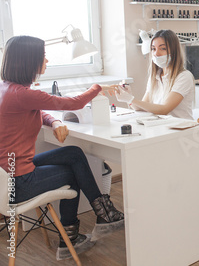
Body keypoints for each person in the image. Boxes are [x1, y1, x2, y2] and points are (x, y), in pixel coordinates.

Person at [0, 36, 125, 260]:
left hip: (8, 175)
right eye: (42, 57)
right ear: (29, 62)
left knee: (73, 153)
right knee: (73, 172)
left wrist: (55, 122)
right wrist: (97, 88)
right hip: (18, 182)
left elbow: (39, 111)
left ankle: (98, 218)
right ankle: (84, 229)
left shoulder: (9, 90)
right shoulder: (23, 94)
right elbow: (73, 104)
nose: (46, 60)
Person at [116, 29, 195, 119]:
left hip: (182, 128)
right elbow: (141, 108)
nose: (156, 53)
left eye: (163, 48)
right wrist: (128, 97)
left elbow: (164, 110)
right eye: (153, 49)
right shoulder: (155, 77)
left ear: (174, 51)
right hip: (162, 126)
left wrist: (131, 99)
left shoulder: (184, 76)